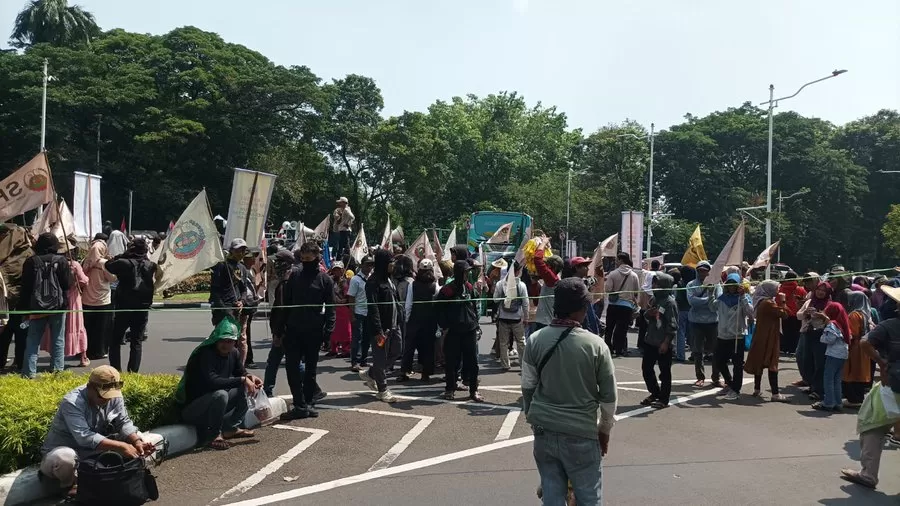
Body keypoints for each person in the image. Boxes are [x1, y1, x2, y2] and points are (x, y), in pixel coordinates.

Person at [522, 278, 618, 505]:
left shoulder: (535, 340)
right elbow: (609, 397)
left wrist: (533, 418)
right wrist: (604, 430)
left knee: (552, 495)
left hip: (544, 431)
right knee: (587, 497)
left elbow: (527, 387)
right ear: (584, 308)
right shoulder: (596, 345)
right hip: (581, 433)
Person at [40, 365, 155, 491]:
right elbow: (84, 437)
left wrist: (136, 442)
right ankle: (68, 487)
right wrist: (122, 446)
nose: (107, 399)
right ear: (89, 387)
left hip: (93, 451)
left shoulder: (115, 395)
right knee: (65, 458)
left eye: (110, 396)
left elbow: (123, 422)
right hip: (65, 451)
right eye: (102, 396)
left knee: (139, 438)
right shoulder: (72, 402)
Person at [840, 284, 900, 489]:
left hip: (893, 385)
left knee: (872, 426)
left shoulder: (890, 325)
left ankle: (868, 474)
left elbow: (866, 343)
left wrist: (882, 363)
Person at [177, 316, 259, 450]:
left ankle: (231, 428)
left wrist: (250, 377)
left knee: (242, 388)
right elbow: (213, 382)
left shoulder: (234, 353)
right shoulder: (205, 354)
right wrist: (243, 380)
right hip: (193, 410)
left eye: (229, 341)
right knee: (221, 394)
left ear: (235, 342)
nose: (225, 344)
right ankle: (214, 435)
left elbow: (241, 373)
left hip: (213, 405)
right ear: (216, 339)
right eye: (222, 341)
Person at [276, 241, 335, 420]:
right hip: (293, 330)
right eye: (302, 259)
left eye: (309, 259)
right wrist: (279, 330)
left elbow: (331, 308)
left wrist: (328, 331)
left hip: (314, 330)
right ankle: (299, 404)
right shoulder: (294, 275)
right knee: (292, 368)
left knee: (311, 369)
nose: (305, 262)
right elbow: (285, 304)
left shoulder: (325, 280)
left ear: (317, 258)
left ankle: (308, 402)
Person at [21, 233, 71, 378]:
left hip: (36, 307)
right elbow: (67, 284)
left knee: (33, 341)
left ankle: (29, 373)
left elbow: (25, 288)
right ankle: (57, 372)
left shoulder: (31, 262)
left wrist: (24, 309)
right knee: (58, 340)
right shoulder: (61, 260)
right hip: (58, 307)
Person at [105, 238, 157, 373]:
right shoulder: (150, 265)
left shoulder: (123, 263)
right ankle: (133, 373)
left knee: (115, 340)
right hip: (142, 307)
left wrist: (123, 254)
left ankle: (116, 371)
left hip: (124, 306)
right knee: (137, 341)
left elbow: (108, 265)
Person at [436, 260, 484, 402]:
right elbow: (439, 310)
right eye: (465, 272)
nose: (467, 274)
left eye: (468, 272)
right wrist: (445, 326)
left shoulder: (469, 288)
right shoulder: (447, 290)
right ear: (458, 273)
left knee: (473, 363)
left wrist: (476, 324)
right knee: (451, 363)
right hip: (453, 332)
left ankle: (473, 390)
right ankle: (449, 389)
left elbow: (475, 306)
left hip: (469, 331)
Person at [359, 249, 401, 403]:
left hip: (394, 325)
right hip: (381, 328)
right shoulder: (373, 282)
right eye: (391, 261)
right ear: (383, 263)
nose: (393, 264)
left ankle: (371, 373)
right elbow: (373, 307)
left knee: (397, 350)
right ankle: (382, 390)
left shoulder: (390, 279)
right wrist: (378, 330)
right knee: (380, 358)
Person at [41, 246, 89, 367]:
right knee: (76, 326)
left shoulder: (52, 262)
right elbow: (84, 281)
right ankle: (83, 357)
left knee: (57, 329)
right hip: (73, 299)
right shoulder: (74, 264)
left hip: (56, 298)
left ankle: (56, 358)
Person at [709, 273, 753, 400]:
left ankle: (736, 389)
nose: (731, 286)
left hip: (737, 337)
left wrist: (743, 296)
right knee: (719, 361)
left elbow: (750, 312)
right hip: (722, 336)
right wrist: (710, 293)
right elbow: (712, 307)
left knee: (737, 364)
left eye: (734, 283)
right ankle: (730, 382)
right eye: (729, 283)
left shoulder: (743, 298)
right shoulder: (722, 298)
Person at [744, 280, 789, 402]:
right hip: (769, 336)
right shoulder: (768, 303)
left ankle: (757, 389)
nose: (778, 291)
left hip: (761, 335)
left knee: (759, 361)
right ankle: (775, 393)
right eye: (776, 289)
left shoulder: (761, 301)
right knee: (772, 362)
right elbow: (784, 314)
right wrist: (783, 300)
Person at [209, 238, 252, 366]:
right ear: (231, 250)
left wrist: (242, 301)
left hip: (239, 310)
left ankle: (239, 367)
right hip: (224, 310)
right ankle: (219, 365)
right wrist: (225, 310)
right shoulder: (222, 266)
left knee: (241, 339)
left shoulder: (243, 268)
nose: (241, 252)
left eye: (243, 250)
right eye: (238, 250)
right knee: (223, 340)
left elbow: (244, 289)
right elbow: (215, 292)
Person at [400, 258, 440, 382]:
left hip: (414, 320)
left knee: (409, 348)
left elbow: (408, 304)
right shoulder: (435, 286)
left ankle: (404, 372)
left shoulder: (413, 285)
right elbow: (437, 305)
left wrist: (407, 320)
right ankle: (425, 373)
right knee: (428, 348)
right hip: (430, 321)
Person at [641, 272, 677, 409]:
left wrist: (666, 342)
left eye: (657, 283)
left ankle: (664, 399)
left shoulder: (670, 303)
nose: (654, 285)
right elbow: (648, 315)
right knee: (646, 369)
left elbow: (673, 325)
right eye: (654, 282)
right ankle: (655, 393)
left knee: (664, 371)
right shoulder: (655, 300)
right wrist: (647, 314)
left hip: (663, 342)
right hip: (651, 340)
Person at [264, 249, 295, 396]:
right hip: (291, 330)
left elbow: (282, 310)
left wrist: (278, 333)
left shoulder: (285, 283)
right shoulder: (292, 279)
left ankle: (267, 390)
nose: (275, 264)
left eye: (278, 261)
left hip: (284, 331)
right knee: (294, 361)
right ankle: (314, 390)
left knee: (275, 361)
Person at [686, 261, 722, 388]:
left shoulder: (716, 284)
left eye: (705, 270)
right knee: (697, 351)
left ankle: (716, 377)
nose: (702, 273)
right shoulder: (691, 284)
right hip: (696, 322)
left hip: (713, 321)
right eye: (700, 270)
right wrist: (708, 300)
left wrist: (703, 301)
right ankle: (700, 377)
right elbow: (692, 302)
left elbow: (718, 302)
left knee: (716, 350)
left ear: (709, 271)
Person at [798, 281, 833, 401]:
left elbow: (832, 321)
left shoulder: (830, 305)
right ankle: (812, 385)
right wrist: (805, 313)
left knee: (819, 363)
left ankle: (818, 390)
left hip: (821, 335)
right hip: (808, 333)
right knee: (807, 360)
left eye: (823, 291)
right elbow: (798, 315)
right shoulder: (809, 302)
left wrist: (822, 317)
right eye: (819, 289)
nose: (820, 292)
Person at [82, 239, 116, 360]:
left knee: (88, 327)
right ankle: (99, 351)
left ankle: (86, 350)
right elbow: (112, 278)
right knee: (101, 328)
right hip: (102, 300)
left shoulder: (86, 262)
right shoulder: (103, 263)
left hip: (87, 298)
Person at [814, 303, 851, 412]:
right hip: (843, 354)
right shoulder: (843, 323)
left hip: (834, 354)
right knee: (836, 379)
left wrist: (822, 337)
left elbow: (830, 339)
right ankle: (838, 402)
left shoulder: (832, 324)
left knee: (828, 378)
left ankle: (829, 402)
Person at [603, 252, 641, 357]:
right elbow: (636, 291)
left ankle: (609, 348)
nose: (616, 262)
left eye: (617, 260)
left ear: (621, 260)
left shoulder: (613, 274)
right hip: (627, 306)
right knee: (622, 329)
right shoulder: (634, 275)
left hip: (614, 305)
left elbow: (608, 289)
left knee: (609, 328)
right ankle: (619, 349)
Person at [493, 262, 529, 371]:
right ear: (518, 271)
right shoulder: (521, 285)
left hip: (503, 318)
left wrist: (504, 299)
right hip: (517, 318)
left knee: (503, 343)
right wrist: (526, 317)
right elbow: (525, 302)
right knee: (521, 342)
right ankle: (522, 365)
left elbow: (495, 299)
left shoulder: (500, 284)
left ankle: (505, 364)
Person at [843, 290, 874, 408]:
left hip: (855, 348)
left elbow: (853, 333)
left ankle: (853, 399)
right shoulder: (866, 314)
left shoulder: (854, 315)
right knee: (860, 372)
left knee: (852, 372)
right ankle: (858, 397)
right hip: (863, 347)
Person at [349, 255, 374, 372]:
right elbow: (351, 298)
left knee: (367, 338)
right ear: (362, 265)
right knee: (357, 338)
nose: (369, 267)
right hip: (359, 312)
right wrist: (352, 314)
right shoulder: (355, 279)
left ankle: (364, 359)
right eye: (367, 264)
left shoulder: (372, 278)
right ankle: (355, 361)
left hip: (369, 312)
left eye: (371, 265)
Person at [532, 241, 564, 331]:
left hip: (546, 323)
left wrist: (543, 242)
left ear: (551, 267)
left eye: (546, 265)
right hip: (543, 321)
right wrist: (534, 283)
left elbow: (537, 259)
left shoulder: (553, 280)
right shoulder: (552, 279)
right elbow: (536, 302)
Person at [240, 250, 264, 366]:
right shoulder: (239, 270)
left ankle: (247, 358)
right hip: (243, 306)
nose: (254, 260)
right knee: (243, 335)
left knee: (246, 334)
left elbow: (252, 287)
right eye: (251, 258)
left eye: (254, 257)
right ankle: (246, 359)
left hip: (250, 305)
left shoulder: (252, 271)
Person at [778, 271, 806, 356]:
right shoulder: (800, 289)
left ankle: (784, 348)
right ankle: (793, 349)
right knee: (795, 333)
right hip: (796, 314)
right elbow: (804, 300)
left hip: (785, 313)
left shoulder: (781, 288)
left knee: (785, 331)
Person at [328, 261, 352, 357]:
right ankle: (333, 348)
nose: (337, 271)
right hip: (333, 307)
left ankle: (346, 350)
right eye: (335, 269)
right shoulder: (330, 280)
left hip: (343, 308)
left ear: (342, 270)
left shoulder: (345, 281)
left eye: (339, 269)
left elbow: (348, 295)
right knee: (332, 329)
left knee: (345, 330)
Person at [672, 266, 694, 362]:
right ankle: (695, 354)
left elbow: (676, 298)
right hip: (692, 310)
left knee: (680, 333)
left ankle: (680, 355)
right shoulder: (694, 285)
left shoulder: (679, 285)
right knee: (692, 334)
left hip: (681, 310)